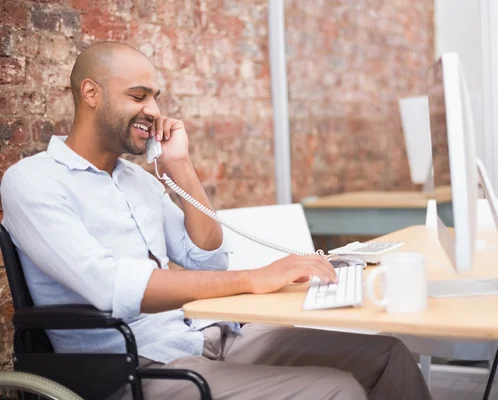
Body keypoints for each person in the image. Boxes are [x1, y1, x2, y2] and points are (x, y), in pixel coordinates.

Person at [0, 42, 431, 400]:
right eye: (138, 96)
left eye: (156, 97)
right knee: (336, 391)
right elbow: (109, 286)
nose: (153, 109)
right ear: (91, 94)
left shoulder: (137, 179)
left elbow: (207, 259)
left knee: (389, 355)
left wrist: (180, 166)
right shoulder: (33, 182)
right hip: (137, 368)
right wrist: (255, 278)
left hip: (211, 337)